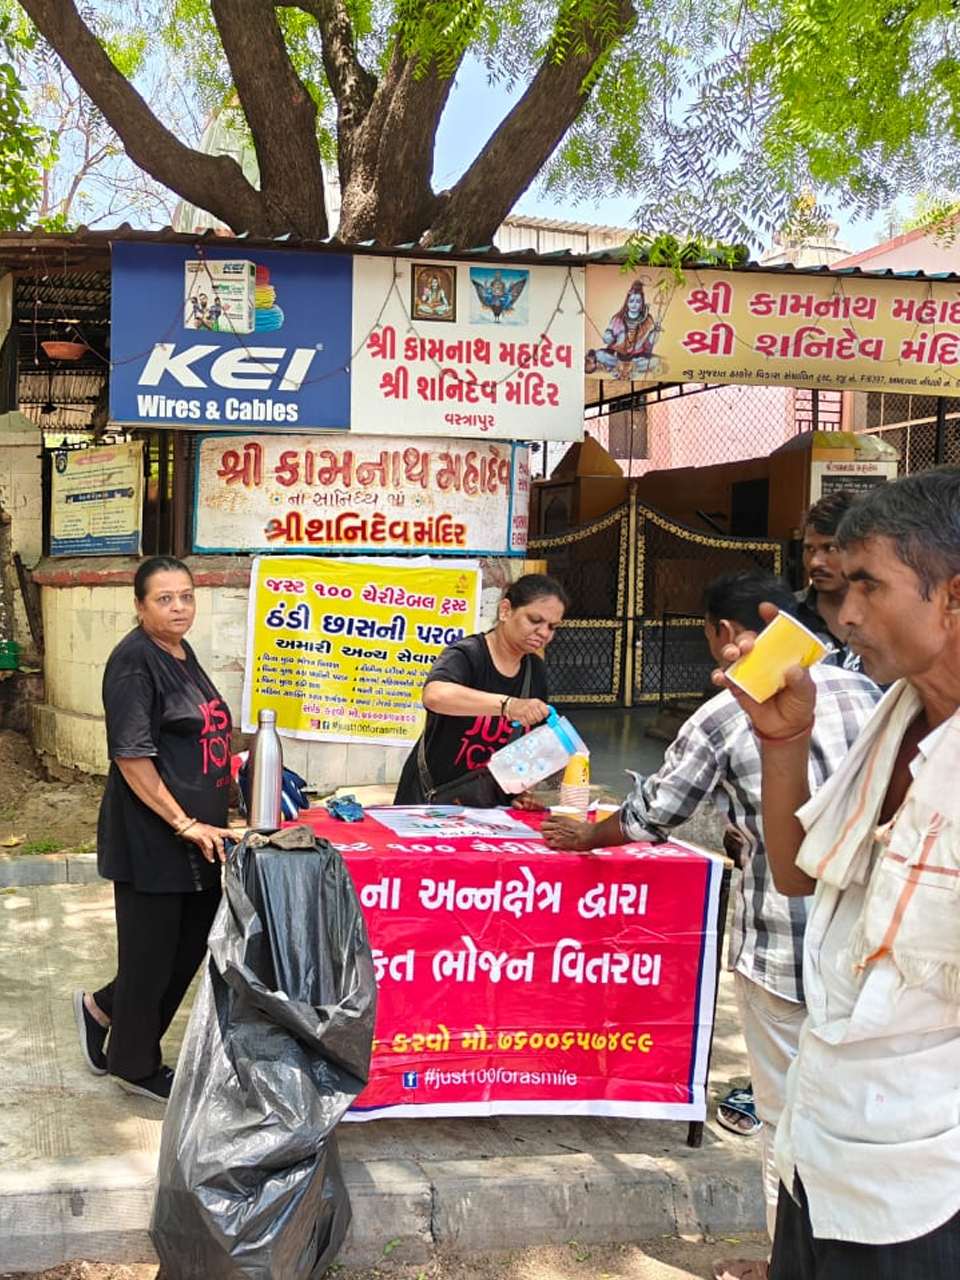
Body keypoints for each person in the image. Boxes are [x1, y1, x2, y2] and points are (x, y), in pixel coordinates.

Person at [541, 571, 880, 1280]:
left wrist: (585, 836)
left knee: (786, 1124)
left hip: (784, 949)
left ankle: (787, 1265)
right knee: (860, 1119)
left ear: (726, 633)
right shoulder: (867, 690)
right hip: (870, 950)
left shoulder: (728, 711)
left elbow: (654, 815)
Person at [716, 468, 960, 1278]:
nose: (845, 614)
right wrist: (782, 742)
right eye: (840, 586)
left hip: (928, 1179)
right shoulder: (896, 714)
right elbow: (799, 877)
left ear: (952, 597)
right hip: (824, 1146)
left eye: (868, 586)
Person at [73, 556, 235, 1104]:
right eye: (164, 599)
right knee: (151, 958)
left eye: (186, 596)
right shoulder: (134, 662)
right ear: (139, 605)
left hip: (201, 835)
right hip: (153, 835)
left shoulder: (180, 652)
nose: (179, 607)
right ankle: (135, 1064)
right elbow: (132, 755)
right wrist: (182, 820)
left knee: (190, 944)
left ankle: (101, 1009)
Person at [393, 574, 569, 806]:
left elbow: (529, 747)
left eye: (552, 627)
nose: (544, 633)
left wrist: (521, 793)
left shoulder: (534, 670)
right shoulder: (468, 654)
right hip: (432, 801)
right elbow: (435, 696)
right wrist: (508, 706)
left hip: (488, 809)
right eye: (535, 620)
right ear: (505, 611)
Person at [793, 490, 860, 668]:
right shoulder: (789, 615)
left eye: (829, 548)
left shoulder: (889, 617)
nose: (815, 562)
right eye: (809, 549)